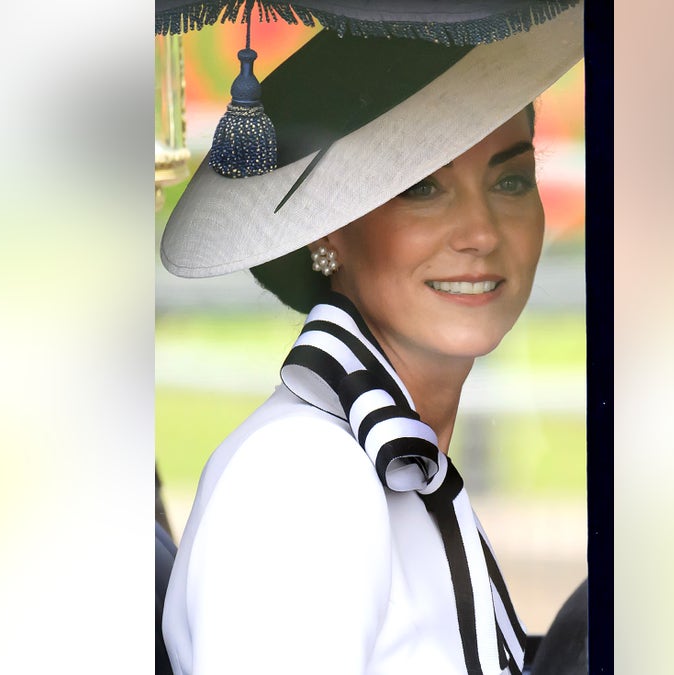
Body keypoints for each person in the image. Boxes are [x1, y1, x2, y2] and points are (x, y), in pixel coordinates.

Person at [159, 6, 583, 674]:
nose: (480, 230)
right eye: (423, 188)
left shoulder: (398, 469)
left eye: (509, 179)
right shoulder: (302, 476)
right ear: (332, 230)